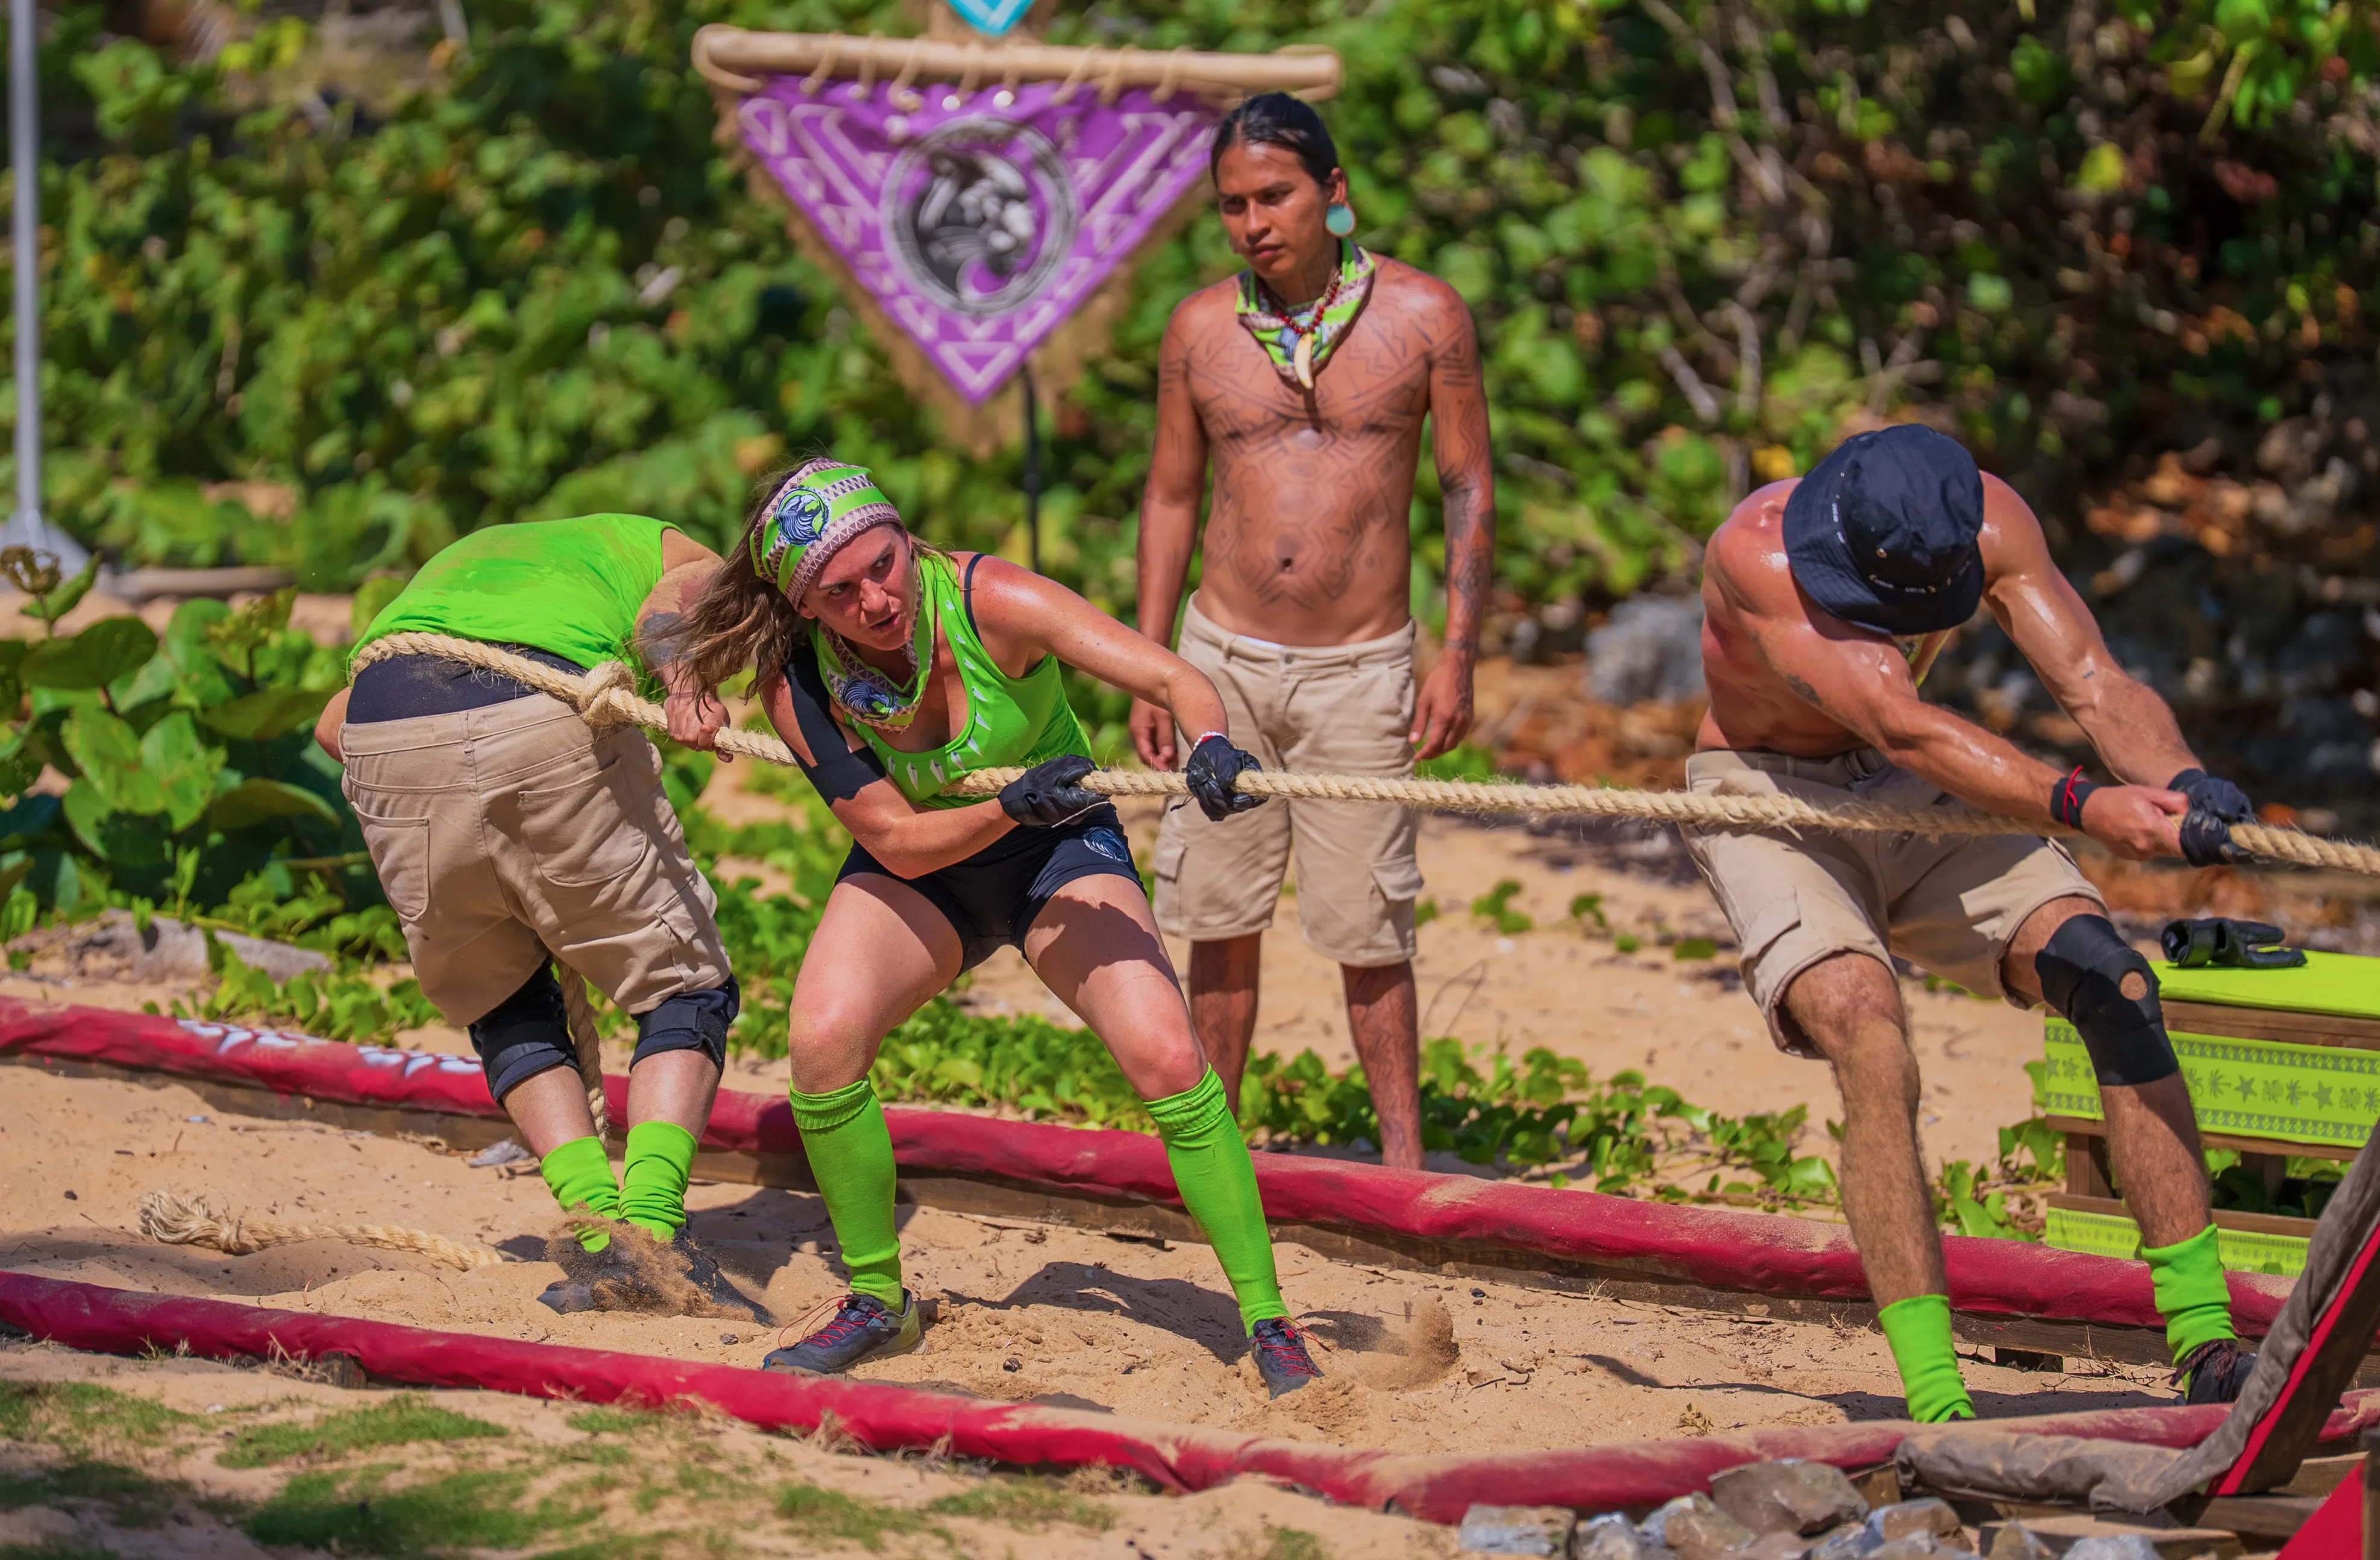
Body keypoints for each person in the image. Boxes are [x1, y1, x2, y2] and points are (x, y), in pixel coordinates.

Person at [664, 458, 1325, 1395]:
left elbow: (1177, 679)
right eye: (843, 592)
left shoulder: (995, 600)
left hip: (1058, 849)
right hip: (930, 858)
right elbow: (895, 838)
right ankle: (877, 1305)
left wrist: (1209, 741)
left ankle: (1270, 1322)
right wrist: (684, 673)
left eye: (884, 566)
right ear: (806, 606)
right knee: (819, 1038)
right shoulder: (798, 680)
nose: (877, 600)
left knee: (1169, 1059)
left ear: (905, 538)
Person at [1689, 424, 2257, 1420]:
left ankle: (2209, 1344)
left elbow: (2094, 683)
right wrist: (2086, 806)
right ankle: (1938, 1397)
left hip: (1910, 789)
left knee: (2114, 981)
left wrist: (2181, 783)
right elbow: (1905, 721)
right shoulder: (1759, 555)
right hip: (1770, 796)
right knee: (1872, 1041)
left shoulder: (1985, 519)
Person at [1131, 93, 1495, 1172]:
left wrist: (1460, 650)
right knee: (1216, 911)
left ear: (1334, 192)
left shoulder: (1426, 317)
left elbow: (1468, 485)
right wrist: (1155, 667)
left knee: (1369, 925)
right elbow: (1167, 495)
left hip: (1363, 667)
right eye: (1232, 205)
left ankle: (1402, 1165)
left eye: (1275, 194)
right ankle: (1213, 1151)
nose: (1253, 221)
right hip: (1221, 661)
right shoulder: (1200, 329)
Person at [315, 514, 747, 1317]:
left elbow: (329, 724)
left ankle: (592, 1235)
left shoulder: (473, 565)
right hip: (540, 709)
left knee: (502, 998)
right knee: (684, 985)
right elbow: (672, 608)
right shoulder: (674, 545)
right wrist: (688, 685)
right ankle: (651, 1231)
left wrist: (451, 797)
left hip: (383, 733)